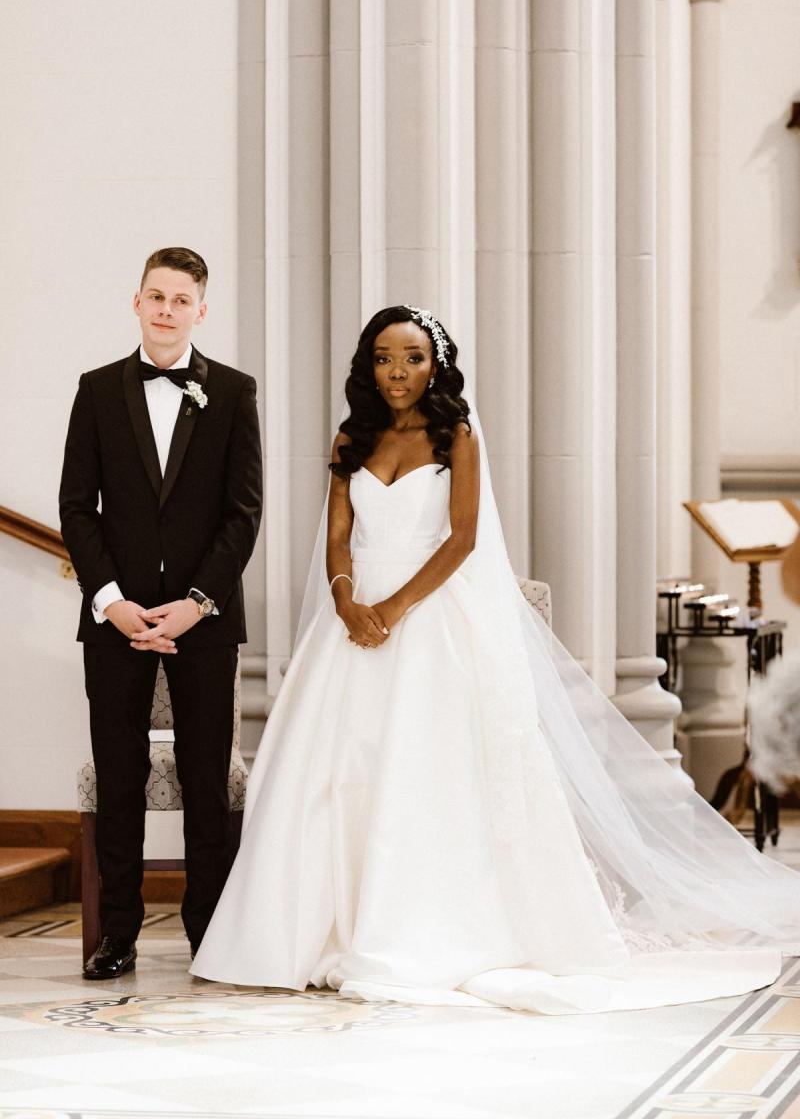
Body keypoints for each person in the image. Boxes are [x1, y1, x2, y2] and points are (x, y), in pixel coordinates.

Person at [192, 305, 800, 1015]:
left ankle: (425, 925)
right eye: (385, 357)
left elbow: (462, 539)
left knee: (424, 772)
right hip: (349, 621)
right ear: (367, 364)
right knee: (334, 770)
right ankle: (314, 927)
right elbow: (336, 536)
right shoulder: (350, 438)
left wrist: (393, 610)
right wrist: (347, 597)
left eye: (413, 358)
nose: (398, 372)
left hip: (428, 619)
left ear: (435, 364)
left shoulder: (456, 435)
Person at [59, 247, 263, 980]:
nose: (167, 310)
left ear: (201, 310)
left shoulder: (235, 393)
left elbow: (243, 514)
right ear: (137, 302)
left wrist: (196, 605)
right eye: (156, 296)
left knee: (206, 777)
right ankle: (117, 935)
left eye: (182, 300)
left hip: (203, 621)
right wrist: (111, 602)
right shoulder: (96, 390)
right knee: (121, 778)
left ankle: (210, 933)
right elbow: (77, 509)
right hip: (115, 620)